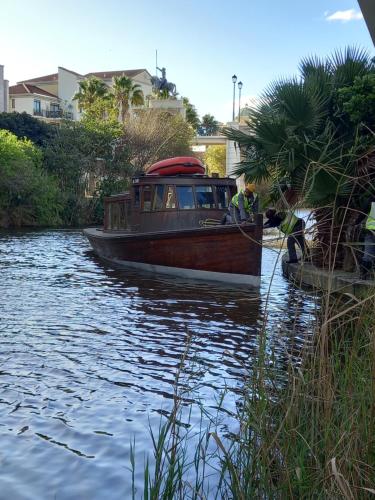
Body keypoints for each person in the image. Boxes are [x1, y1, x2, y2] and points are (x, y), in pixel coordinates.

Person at [359, 199, 375, 279]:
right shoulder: (370, 202)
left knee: (368, 255)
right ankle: (364, 275)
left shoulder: (370, 201)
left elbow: (361, 215)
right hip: (370, 232)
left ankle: (364, 275)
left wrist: (356, 223)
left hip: (370, 232)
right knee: (368, 255)